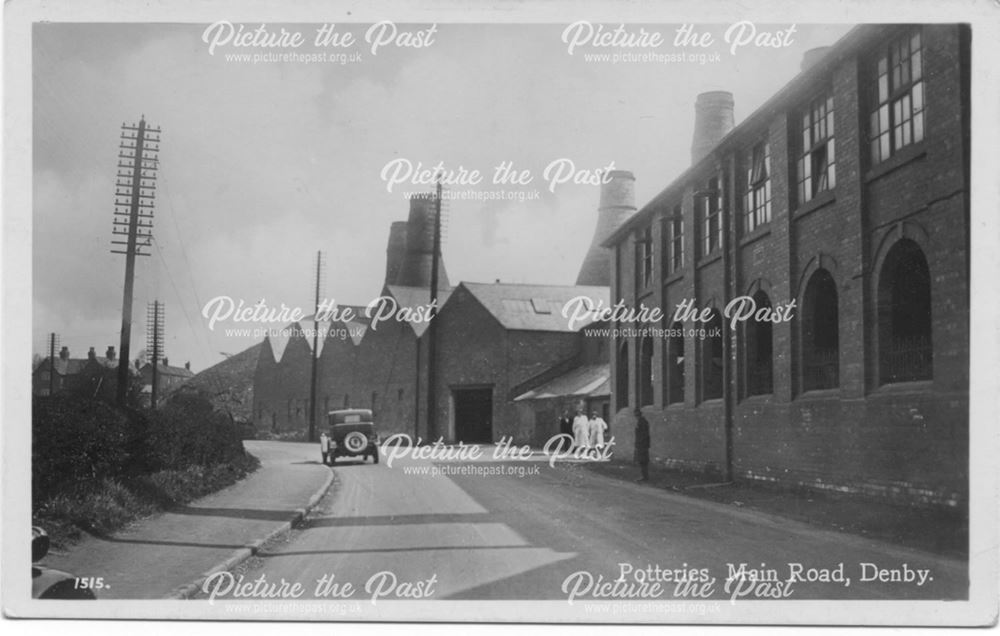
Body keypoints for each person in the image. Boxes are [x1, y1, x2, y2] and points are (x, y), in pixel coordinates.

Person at [633, 407, 650, 482]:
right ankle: (644, 476)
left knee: (643, 461)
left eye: (636, 415)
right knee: (642, 461)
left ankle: (644, 477)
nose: (636, 416)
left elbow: (643, 434)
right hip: (642, 444)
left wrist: (639, 444)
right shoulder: (641, 421)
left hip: (642, 444)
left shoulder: (642, 422)